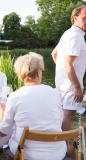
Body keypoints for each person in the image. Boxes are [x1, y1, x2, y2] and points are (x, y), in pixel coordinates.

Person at [0, 52, 67, 160]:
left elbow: (3, 131)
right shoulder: (54, 93)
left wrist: (2, 112)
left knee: (10, 137)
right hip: (57, 153)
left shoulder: (15, 96)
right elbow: (59, 120)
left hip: (26, 154)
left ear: (20, 76)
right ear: (38, 73)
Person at [51, 5, 86, 134]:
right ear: (75, 18)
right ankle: (63, 148)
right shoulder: (75, 36)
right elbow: (68, 63)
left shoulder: (68, 33)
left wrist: (63, 73)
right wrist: (77, 87)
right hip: (71, 85)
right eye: (85, 17)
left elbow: (54, 54)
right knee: (68, 115)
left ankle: (59, 146)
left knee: (63, 114)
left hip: (64, 82)